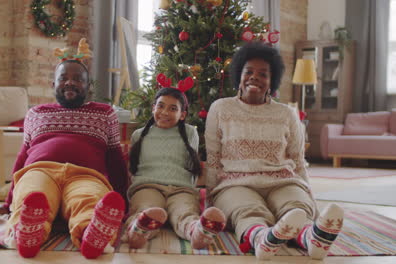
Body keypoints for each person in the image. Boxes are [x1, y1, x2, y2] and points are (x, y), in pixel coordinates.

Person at [204, 41, 344, 260]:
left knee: (296, 208)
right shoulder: (221, 108)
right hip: (235, 184)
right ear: (238, 75)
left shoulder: (286, 114)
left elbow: (298, 160)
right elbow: (213, 158)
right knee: (248, 211)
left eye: (263, 74)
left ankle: (311, 239)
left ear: (272, 81)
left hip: (282, 181)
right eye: (248, 71)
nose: (254, 77)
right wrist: (210, 199)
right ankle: (262, 239)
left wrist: (310, 200)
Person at [0, 47, 129, 259]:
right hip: (40, 170)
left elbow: (115, 158)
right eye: (63, 78)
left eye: (78, 79)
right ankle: (26, 232)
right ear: (53, 84)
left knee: (89, 199)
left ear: (88, 86)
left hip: (86, 174)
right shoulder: (36, 113)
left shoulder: (104, 113)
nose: (70, 82)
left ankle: (91, 234)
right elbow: (22, 157)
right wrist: (8, 200)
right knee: (33, 194)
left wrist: (123, 200)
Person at [124, 87, 226, 250]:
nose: (164, 112)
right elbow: (133, 168)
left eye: (173, 109)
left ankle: (197, 232)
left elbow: (191, 164)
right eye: (160, 106)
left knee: (184, 212)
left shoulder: (190, 132)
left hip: (181, 189)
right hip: (148, 186)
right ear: (153, 108)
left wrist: (188, 188)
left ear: (182, 114)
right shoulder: (139, 134)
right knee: (146, 207)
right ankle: (138, 231)